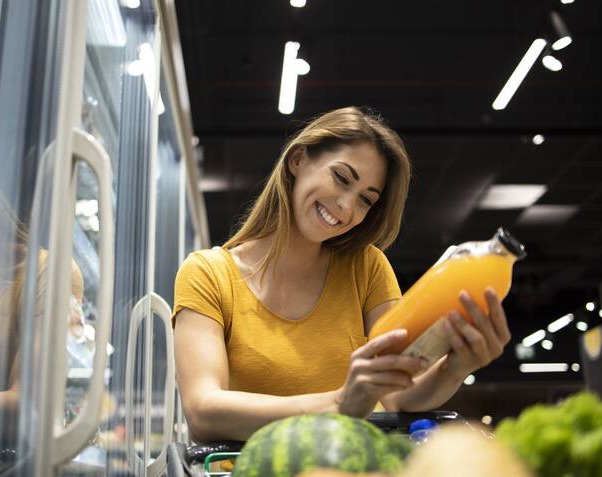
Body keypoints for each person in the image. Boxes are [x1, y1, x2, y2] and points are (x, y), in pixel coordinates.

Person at [172, 107, 511, 443]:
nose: (347, 207)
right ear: (298, 160)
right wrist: (339, 403)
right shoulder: (207, 274)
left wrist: (454, 368)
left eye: (366, 199)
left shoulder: (367, 268)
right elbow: (204, 411)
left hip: (356, 475)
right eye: (341, 178)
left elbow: (397, 393)